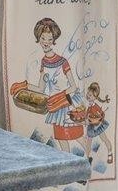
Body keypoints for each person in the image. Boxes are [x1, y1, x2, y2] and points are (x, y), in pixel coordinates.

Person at [23, 17, 83, 153]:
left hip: (67, 102)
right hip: (55, 106)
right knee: (61, 138)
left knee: (77, 135)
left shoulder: (63, 61)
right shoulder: (44, 62)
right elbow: (41, 89)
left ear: (54, 40)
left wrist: (59, 96)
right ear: (39, 38)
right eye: (43, 38)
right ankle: (68, 164)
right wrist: (24, 86)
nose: (46, 42)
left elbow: (74, 87)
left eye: (49, 39)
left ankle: (87, 158)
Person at [82, 82, 114, 165]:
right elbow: (87, 115)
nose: (88, 96)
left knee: (104, 139)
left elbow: (101, 116)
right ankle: (87, 158)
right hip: (91, 126)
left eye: (90, 95)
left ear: (95, 97)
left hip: (98, 125)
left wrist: (95, 120)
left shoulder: (95, 107)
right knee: (88, 142)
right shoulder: (89, 105)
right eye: (88, 94)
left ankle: (110, 152)